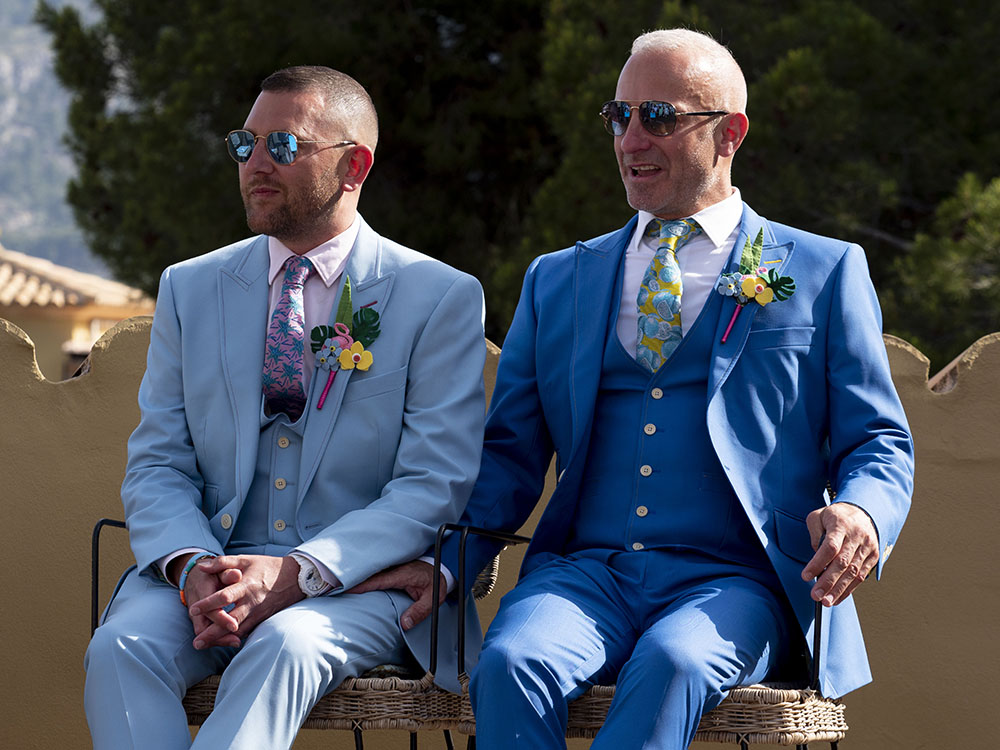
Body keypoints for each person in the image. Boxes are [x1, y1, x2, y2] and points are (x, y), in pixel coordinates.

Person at [352, 29, 914, 748]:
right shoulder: (558, 278)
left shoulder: (824, 270)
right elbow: (510, 453)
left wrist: (862, 512)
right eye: (619, 116)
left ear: (730, 134)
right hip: (585, 575)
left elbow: (879, 439)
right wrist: (448, 564)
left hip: (737, 581)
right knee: (512, 662)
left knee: (675, 663)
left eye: (659, 116)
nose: (631, 138)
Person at [83, 66, 487, 750]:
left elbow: (433, 483)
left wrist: (298, 573)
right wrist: (192, 565)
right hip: (211, 573)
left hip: (356, 586)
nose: (255, 164)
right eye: (245, 144)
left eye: (283, 145)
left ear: (354, 165)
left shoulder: (437, 296)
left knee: (285, 645)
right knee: (121, 648)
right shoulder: (190, 287)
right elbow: (158, 462)